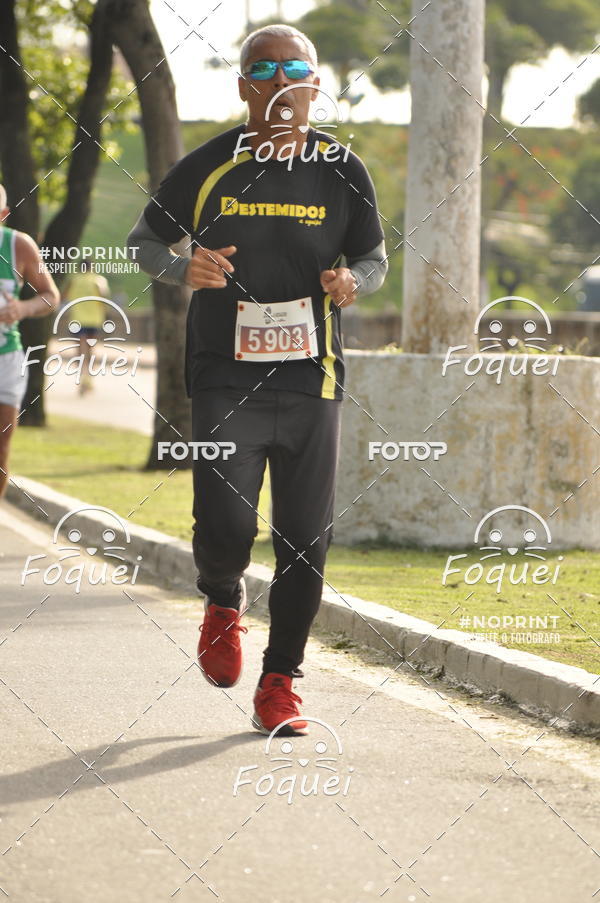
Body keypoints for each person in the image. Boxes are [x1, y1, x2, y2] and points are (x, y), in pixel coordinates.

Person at [128, 24, 388, 736]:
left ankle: (281, 683)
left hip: (312, 376)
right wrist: (184, 268)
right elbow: (143, 241)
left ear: (312, 84)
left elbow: (374, 259)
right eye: (264, 68)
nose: (280, 80)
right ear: (244, 85)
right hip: (223, 376)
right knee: (227, 522)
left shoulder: (342, 169)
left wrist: (349, 282)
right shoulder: (210, 165)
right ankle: (221, 596)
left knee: (306, 537)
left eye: (295, 66)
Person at [0, 184, 60, 497]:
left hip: (6, 359)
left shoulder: (18, 246)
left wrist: (22, 308)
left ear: (3, 215)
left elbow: (50, 296)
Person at [61, 259, 110, 394]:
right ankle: (88, 379)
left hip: (77, 319)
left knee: (80, 350)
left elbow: (63, 297)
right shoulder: (99, 280)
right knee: (90, 350)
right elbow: (104, 298)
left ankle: (81, 378)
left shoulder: (74, 280)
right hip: (95, 320)